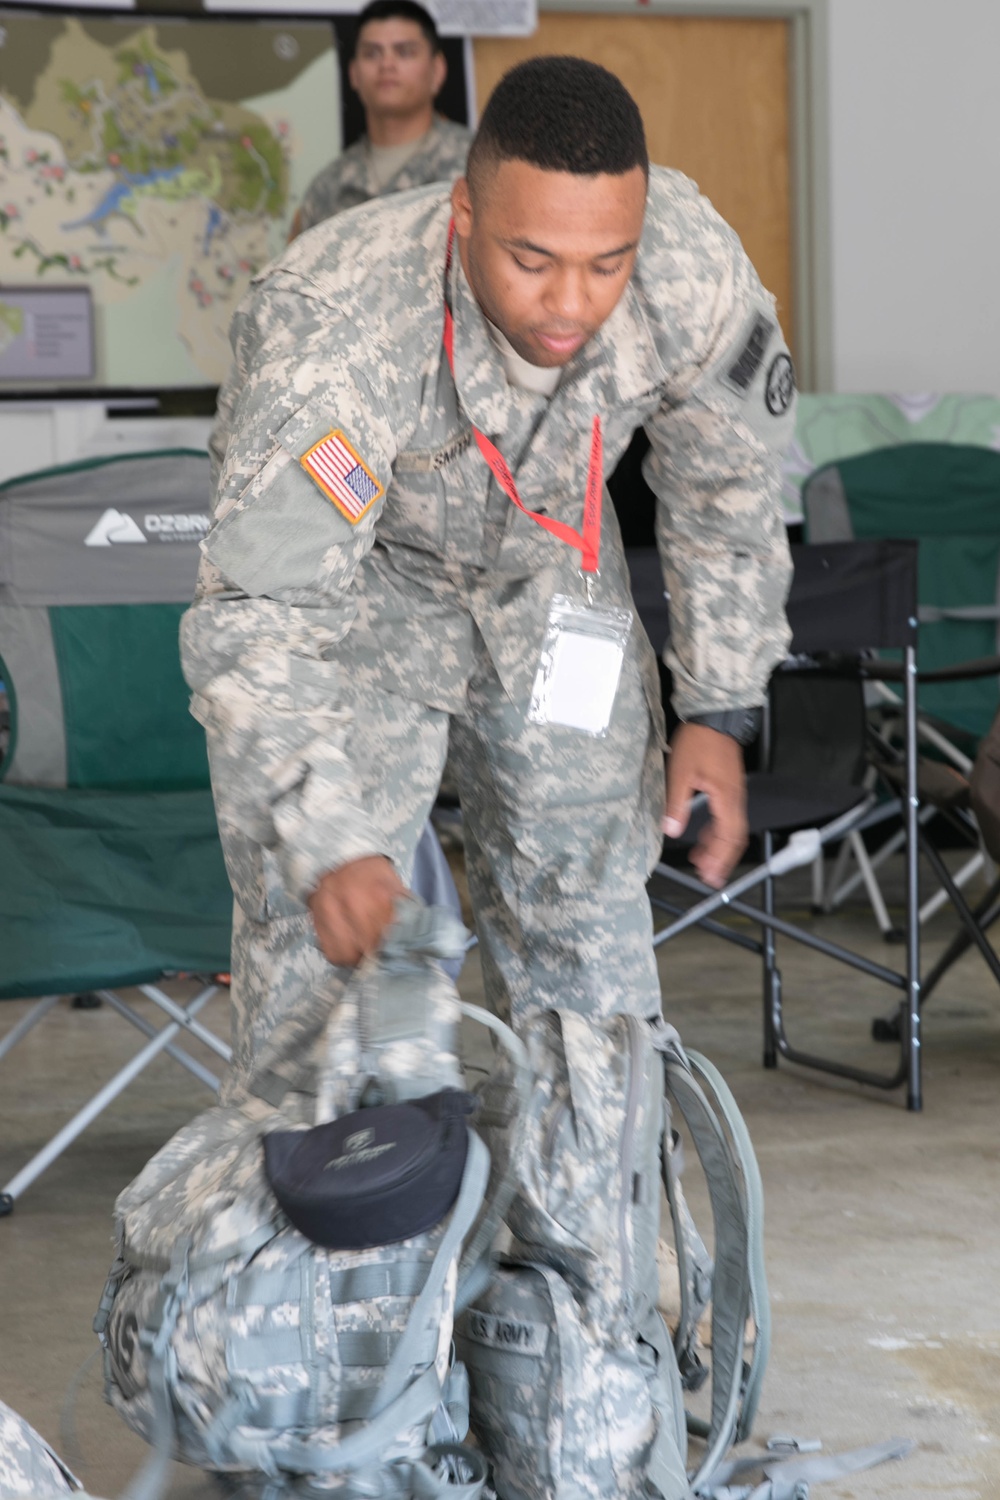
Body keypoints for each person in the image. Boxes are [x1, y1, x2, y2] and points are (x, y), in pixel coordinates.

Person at [183, 55, 794, 1090]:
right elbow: (264, 607)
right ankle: (336, 1239)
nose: (571, 303)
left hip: (561, 582)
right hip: (365, 600)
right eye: (532, 257)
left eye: (607, 263)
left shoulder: (689, 268)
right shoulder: (337, 321)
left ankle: (573, 1249)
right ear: (464, 209)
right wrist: (327, 834)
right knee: (328, 956)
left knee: (588, 951)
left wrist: (719, 709)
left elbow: (729, 487)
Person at [290, 0, 471, 239]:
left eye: (404, 52)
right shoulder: (328, 189)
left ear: (437, 70)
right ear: (354, 74)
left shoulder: (476, 164)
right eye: (372, 53)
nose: (387, 64)